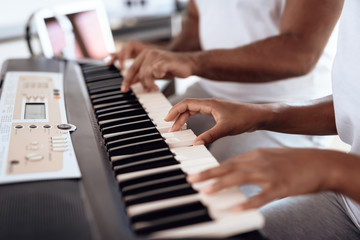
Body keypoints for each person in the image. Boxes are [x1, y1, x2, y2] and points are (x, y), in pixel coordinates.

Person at [163, 0, 360, 238]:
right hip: (349, 204)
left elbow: (299, 53)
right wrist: (262, 115)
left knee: (216, 207)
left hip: (347, 190)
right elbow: (351, 104)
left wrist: (330, 168)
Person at [109, 0, 342, 163]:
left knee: (218, 184)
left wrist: (191, 62)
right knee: (138, 142)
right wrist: (162, 56)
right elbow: (192, 38)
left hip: (284, 107)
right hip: (208, 91)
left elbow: (298, 54)